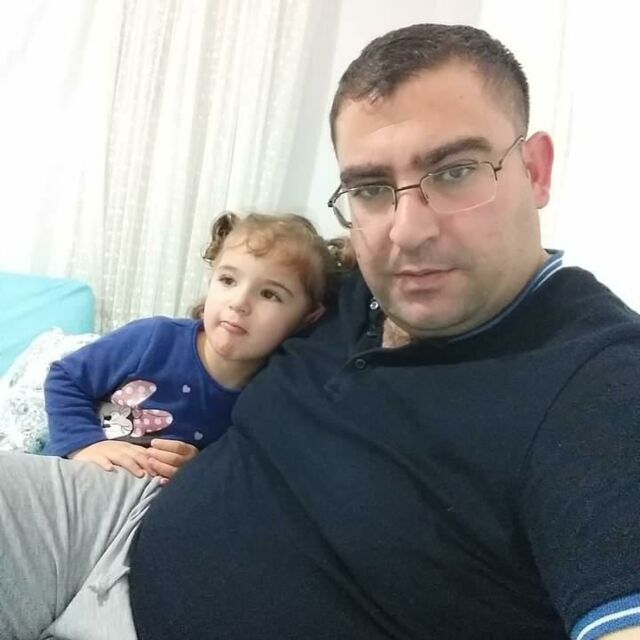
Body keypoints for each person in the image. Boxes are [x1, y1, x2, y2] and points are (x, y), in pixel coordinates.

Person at [1, 22, 640, 640]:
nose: (407, 230)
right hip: (121, 522)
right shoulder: (342, 292)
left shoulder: (599, 386)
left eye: (454, 172)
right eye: (371, 188)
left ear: (535, 170)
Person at [41, 211, 330, 482]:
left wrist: (197, 468)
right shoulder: (155, 338)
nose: (239, 302)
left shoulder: (271, 397)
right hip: (71, 476)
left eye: (269, 294)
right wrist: (86, 444)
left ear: (307, 317)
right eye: (228, 280)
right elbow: (65, 378)